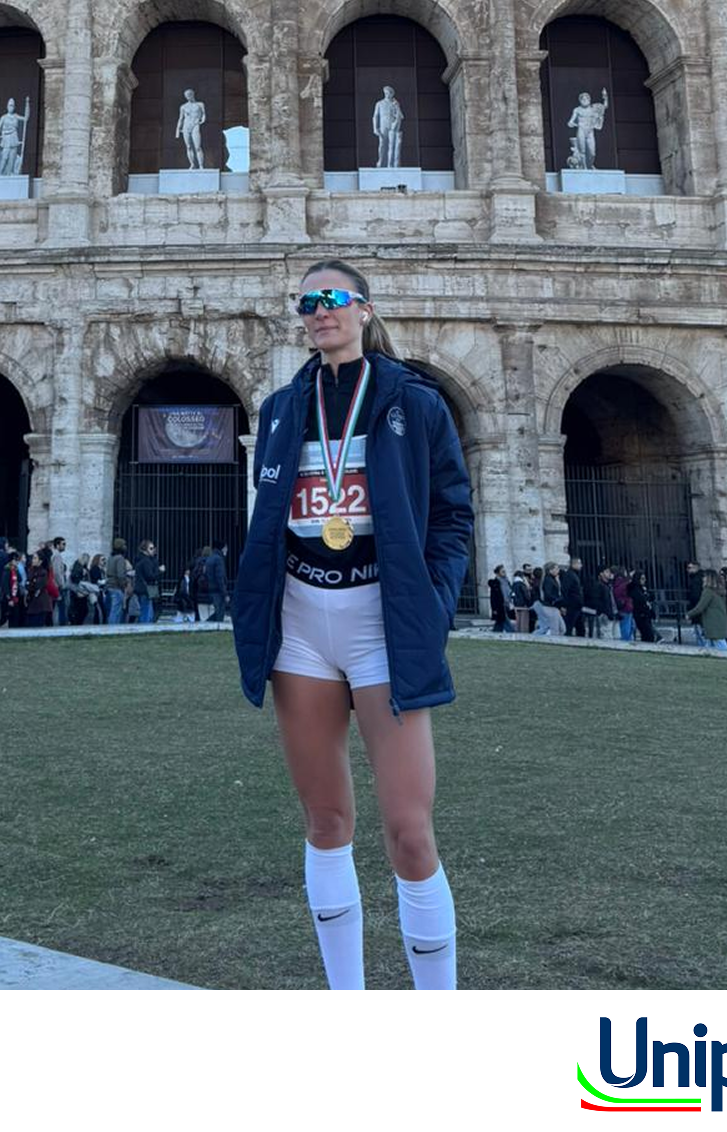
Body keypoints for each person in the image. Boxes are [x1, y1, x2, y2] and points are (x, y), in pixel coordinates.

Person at [232, 258, 474, 990]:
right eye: (306, 302)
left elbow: (453, 513)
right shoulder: (282, 407)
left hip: (381, 620)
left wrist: (433, 601)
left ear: (365, 309)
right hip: (302, 620)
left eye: (332, 297)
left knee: (410, 833)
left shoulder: (413, 400)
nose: (319, 311)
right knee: (326, 822)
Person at [685, 570, 727, 649]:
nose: (703, 579)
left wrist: (689, 614)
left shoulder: (708, 591)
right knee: (714, 644)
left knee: (719, 644)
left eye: (704, 577)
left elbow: (700, 607)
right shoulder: (719, 591)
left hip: (712, 621)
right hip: (720, 620)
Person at [105, 538, 131, 625]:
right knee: (116, 610)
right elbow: (120, 575)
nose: (126, 547)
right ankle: (113, 627)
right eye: (124, 545)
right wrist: (124, 585)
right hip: (116, 587)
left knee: (111, 609)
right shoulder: (120, 558)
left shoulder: (111, 558)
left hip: (110, 586)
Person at [135, 539, 161, 625]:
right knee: (146, 611)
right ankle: (145, 627)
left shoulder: (139, 559)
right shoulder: (146, 561)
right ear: (145, 549)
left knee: (145, 609)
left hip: (140, 588)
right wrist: (159, 571)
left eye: (153, 548)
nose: (153, 550)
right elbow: (150, 576)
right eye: (151, 548)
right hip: (146, 589)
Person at [627, 570, 656, 643]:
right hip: (640, 614)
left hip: (646, 614)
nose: (644, 580)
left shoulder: (643, 588)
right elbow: (641, 599)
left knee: (648, 634)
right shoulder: (634, 589)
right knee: (648, 634)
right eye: (642, 579)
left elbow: (651, 597)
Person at [537, 561, 565, 636]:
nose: (558, 570)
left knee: (562, 628)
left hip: (554, 607)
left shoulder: (553, 579)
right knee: (555, 629)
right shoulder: (548, 580)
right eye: (556, 569)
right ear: (550, 570)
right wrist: (557, 599)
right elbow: (548, 594)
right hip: (550, 607)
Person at [204, 541, 228, 622]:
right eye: (225, 548)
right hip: (218, 590)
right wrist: (225, 593)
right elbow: (220, 578)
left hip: (211, 588)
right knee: (220, 611)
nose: (226, 550)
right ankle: (210, 624)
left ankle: (208, 623)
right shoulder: (218, 559)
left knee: (217, 610)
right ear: (222, 548)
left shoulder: (210, 558)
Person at [561, 557, 585, 636]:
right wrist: (564, 605)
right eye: (579, 563)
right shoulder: (569, 575)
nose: (581, 565)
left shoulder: (574, 575)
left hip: (577, 605)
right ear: (574, 564)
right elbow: (565, 590)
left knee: (580, 628)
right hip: (572, 605)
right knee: (569, 626)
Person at [611, 567, 634, 642]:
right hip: (626, 607)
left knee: (626, 626)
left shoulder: (615, 584)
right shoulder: (624, 584)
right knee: (627, 628)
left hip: (622, 607)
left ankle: (627, 640)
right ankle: (626, 642)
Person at [50, 538, 69, 626]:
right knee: (61, 606)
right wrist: (61, 584)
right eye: (63, 544)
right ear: (57, 545)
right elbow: (57, 572)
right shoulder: (57, 556)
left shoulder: (55, 555)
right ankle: (62, 624)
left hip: (56, 584)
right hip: (58, 585)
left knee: (56, 605)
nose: (64, 546)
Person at [488, 565, 511, 633]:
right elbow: (493, 597)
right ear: (498, 573)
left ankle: (495, 633)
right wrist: (494, 609)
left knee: (499, 623)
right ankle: (512, 632)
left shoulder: (507, 582)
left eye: (505, 571)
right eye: (502, 571)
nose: (505, 573)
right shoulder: (495, 584)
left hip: (506, 604)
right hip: (500, 606)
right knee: (505, 621)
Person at [510, 565, 533, 634]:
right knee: (524, 621)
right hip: (523, 605)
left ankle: (518, 633)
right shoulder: (521, 584)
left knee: (518, 620)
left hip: (516, 605)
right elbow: (526, 595)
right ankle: (524, 634)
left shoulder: (514, 584)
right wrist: (529, 603)